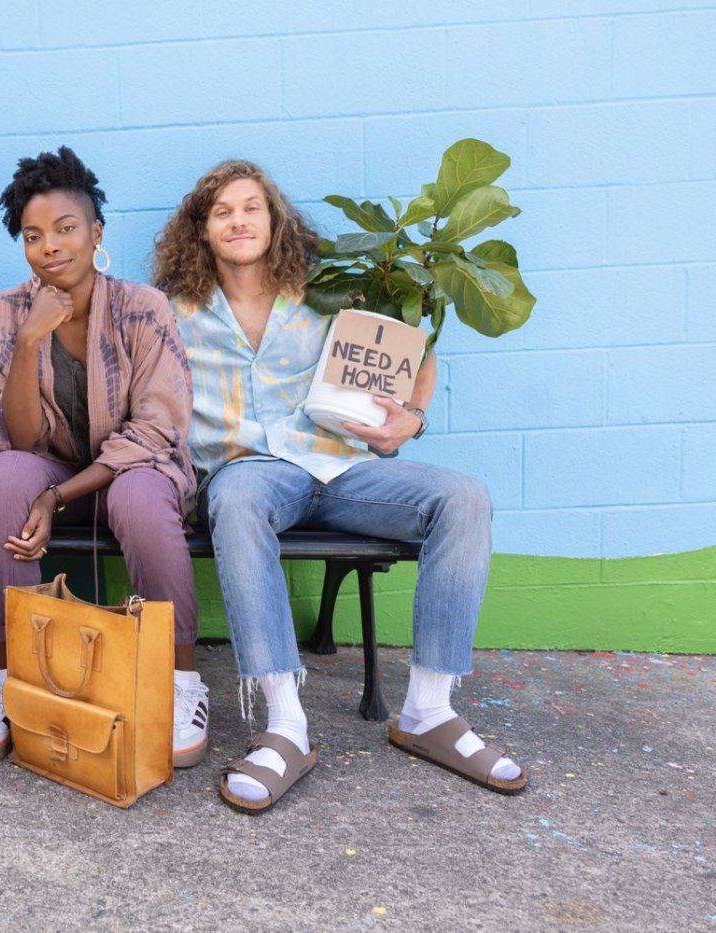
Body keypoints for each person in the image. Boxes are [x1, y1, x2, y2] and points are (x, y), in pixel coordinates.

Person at [154, 159, 526, 812]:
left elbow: (411, 350)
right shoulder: (170, 309)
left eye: (251, 207)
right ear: (201, 230)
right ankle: (285, 725)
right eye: (221, 211)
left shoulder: (325, 292)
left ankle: (429, 712)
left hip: (338, 466)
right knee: (235, 500)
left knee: (464, 496)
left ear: (275, 220)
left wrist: (410, 417)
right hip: (246, 471)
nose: (238, 220)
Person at [0, 147, 208, 770]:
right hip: (49, 471)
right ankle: (14, 679)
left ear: (96, 232)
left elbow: (156, 430)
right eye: (33, 235)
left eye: (66, 228)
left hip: (132, 474)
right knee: (3, 477)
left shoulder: (142, 307)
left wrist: (56, 497)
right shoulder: (1, 313)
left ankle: (181, 682)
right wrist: (29, 340)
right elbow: (13, 440)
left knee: (139, 495)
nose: (50, 247)